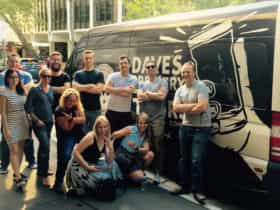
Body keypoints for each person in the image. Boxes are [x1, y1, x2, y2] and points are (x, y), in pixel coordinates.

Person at [172, 61, 211, 205]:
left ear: (193, 72)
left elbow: (202, 106)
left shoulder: (201, 87)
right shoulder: (180, 90)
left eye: (188, 72)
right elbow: (175, 108)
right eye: (183, 72)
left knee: (196, 160)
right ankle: (184, 186)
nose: (185, 74)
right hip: (186, 126)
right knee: (184, 159)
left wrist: (185, 107)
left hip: (201, 128)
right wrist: (192, 106)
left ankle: (197, 190)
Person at [66, 115, 122, 196]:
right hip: (80, 165)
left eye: (105, 127)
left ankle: (90, 189)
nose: (103, 130)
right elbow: (75, 152)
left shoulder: (105, 138)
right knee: (101, 181)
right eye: (100, 127)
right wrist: (86, 167)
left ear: (108, 127)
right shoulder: (91, 137)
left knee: (112, 168)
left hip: (92, 163)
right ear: (96, 127)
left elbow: (109, 162)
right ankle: (81, 189)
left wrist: (110, 147)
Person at [0, 54, 36, 175]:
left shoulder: (26, 75)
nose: (14, 64)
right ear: (8, 62)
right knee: (7, 142)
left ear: (19, 63)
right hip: (10, 117)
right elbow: (2, 91)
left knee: (26, 142)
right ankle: (4, 165)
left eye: (16, 62)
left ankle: (28, 163)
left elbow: (30, 89)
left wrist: (16, 87)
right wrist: (16, 88)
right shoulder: (2, 75)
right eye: (12, 62)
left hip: (23, 119)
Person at [137, 60, 168, 183]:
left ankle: (158, 173)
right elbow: (139, 97)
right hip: (144, 120)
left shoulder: (162, 82)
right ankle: (142, 171)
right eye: (148, 67)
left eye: (152, 66)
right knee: (144, 146)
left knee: (157, 146)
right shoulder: (142, 83)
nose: (150, 68)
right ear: (146, 70)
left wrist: (148, 94)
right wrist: (154, 95)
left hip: (157, 120)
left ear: (157, 70)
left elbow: (162, 97)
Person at [0, 70, 30, 189]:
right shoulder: (3, 93)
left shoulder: (22, 91)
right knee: (13, 150)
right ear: (7, 79)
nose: (14, 79)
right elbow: (3, 113)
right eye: (12, 77)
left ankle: (16, 172)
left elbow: (27, 107)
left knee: (21, 149)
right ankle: (18, 177)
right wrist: (6, 129)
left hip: (23, 122)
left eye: (16, 77)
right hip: (11, 123)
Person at [25, 67, 54, 187]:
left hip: (49, 122)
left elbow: (51, 105)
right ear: (40, 76)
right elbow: (28, 107)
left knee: (44, 147)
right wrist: (36, 120)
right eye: (44, 76)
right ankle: (44, 176)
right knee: (46, 146)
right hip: (39, 123)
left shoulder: (51, 89)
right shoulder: (34, 90)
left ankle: (42, 170)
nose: (47, 78)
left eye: (49, 76)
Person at [52, 88, 85, 193]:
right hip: (66, 136)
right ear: (65, 99)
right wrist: (74, 120)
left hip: (78, 133)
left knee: (88, 151)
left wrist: (72, 119)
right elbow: (67, 128)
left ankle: (81, 179)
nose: (72, 102)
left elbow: (83, 119)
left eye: (74, 100)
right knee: (64, 157)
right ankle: (58, 182)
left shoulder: (77, 107)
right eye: (69, 100)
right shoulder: (59, 110)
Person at [104, 55, 138, 149]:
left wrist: (114, 89)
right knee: (108, 138)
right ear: (119, 65)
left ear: (129, 65)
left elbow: (128, 93)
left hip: (125, 114)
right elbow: (106, 89)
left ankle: (118, 161)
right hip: (111, 112)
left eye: (125, 63)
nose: (123, 65)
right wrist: (123, 89)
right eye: (121, 63)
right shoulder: (113, 75)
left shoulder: (133, 78)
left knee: (123, 140)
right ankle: (109, 161)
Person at [113, 112, 154, 184]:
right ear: (137, 123)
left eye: (145, 123)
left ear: (147, 124)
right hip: (123, 153)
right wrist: (110, 149)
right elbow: (114, 135)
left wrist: (136, 148)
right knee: (122, 159)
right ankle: (127, 175)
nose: (142, 125)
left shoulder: (146, 134)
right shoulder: (130, 129)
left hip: (133, 156)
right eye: (140, 123)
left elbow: (146, 149)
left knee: (150, 154)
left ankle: (133, 174)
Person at [73, 50, 104, 133]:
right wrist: (90, 86)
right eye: (86, 58)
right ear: (83, 59)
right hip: (81, 109)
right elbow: (75, 88)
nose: (88, 60)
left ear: (93, 59)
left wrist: (82, 87)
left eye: (90, 58)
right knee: (82, 134)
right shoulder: (78, 74)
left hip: (96, 109)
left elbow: (98, 90)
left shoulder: (99, 74)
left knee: (95, 134)